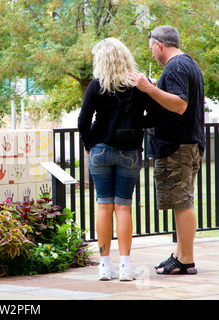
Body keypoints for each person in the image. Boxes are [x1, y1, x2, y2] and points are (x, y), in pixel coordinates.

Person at [78, 38, 159, 281]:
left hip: (100, 150)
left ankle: (104, 265)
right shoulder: (138, 84)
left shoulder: (96, 85)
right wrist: (136, 124)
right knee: (123, 206)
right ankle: (125, 266)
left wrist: (89, 146)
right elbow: (154, 116)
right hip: (130, 152)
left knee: (103, 206)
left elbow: (83, 120)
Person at [130, 26, 205, 275]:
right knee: (180, 201)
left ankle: (186, 259)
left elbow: (180, 104)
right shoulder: (187, 64)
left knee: (182, 202)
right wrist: (155, 87)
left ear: (159, 44)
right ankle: (179, 254)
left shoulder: (175, 67)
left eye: (151, 46)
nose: (151, 52)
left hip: (178, 146)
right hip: (186, 143)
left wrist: (148, 88)